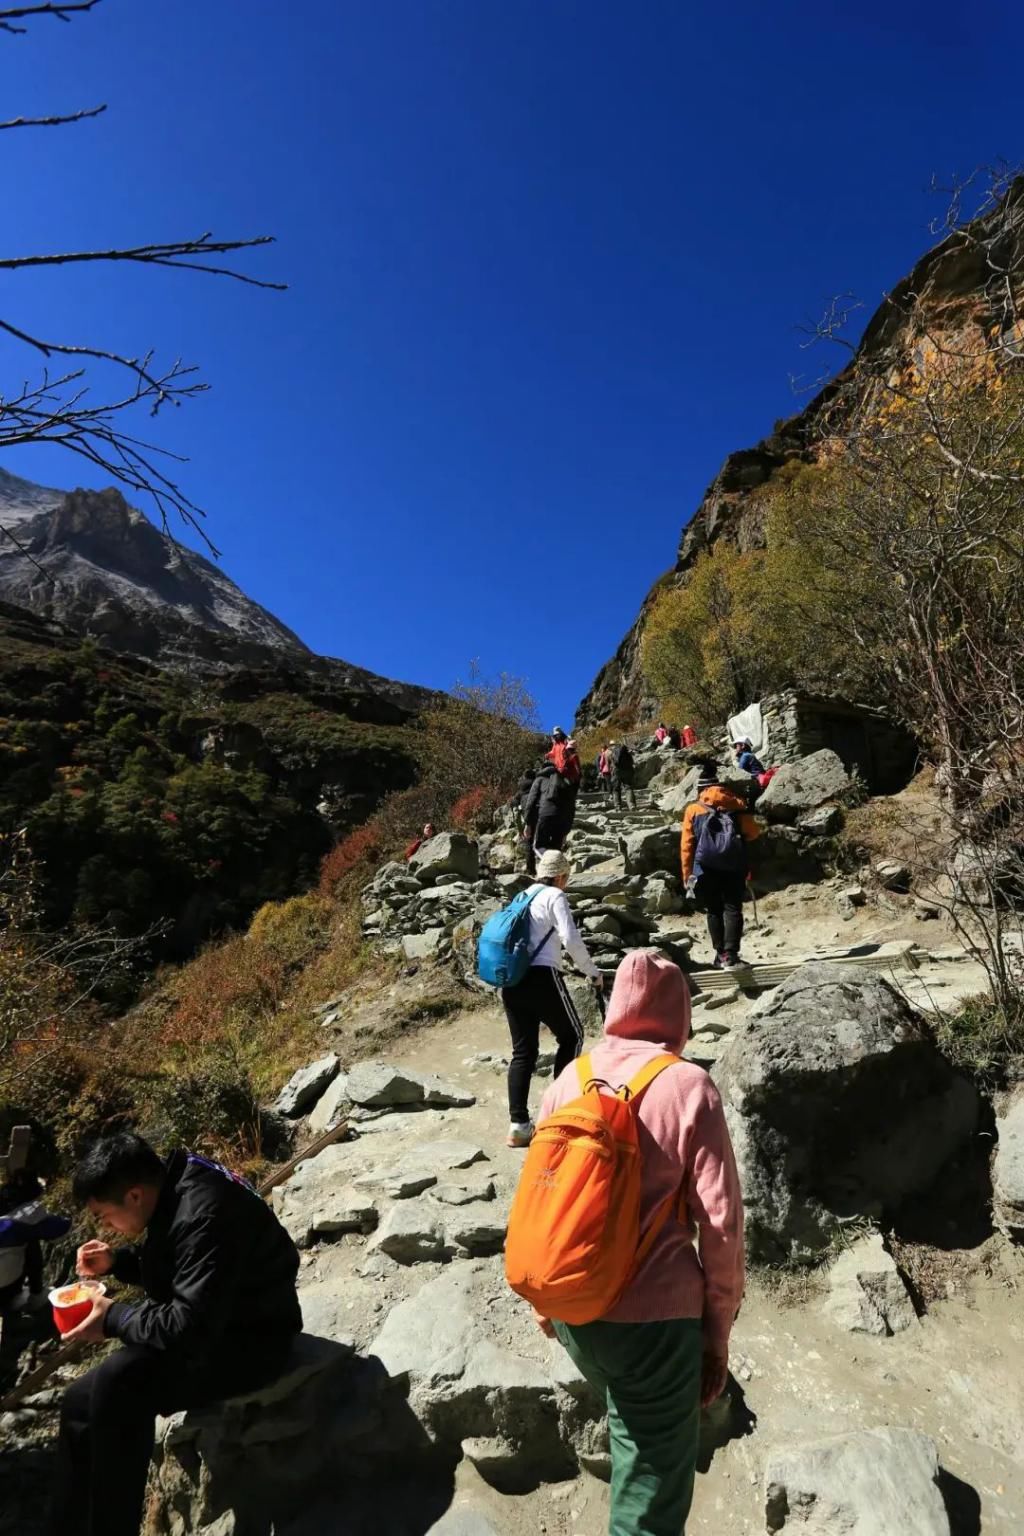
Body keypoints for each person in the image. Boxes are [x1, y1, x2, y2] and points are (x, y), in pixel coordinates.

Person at [536, 948, 745, 1536]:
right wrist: (717, 1333)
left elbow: (541, 1201)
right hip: (655, 1323)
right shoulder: (688, 1085)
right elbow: (722, 1224)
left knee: (628, 1417)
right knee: (649, 1497)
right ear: (678, 1014)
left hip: (574, 1308)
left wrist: (546, 1306)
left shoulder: (567, 1080)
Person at [47, 1132, 302, 1536]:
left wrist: (112, 1319)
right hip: (224, 1321)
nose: (107, 1226)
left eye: (104, 1216)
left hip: (256, 1341)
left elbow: (187, 1327)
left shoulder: (204, 1213)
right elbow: (186, 1269)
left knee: (120, 1383)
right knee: (79, 1401)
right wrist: (119, 1262)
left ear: (133, 1195)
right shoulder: (178, 1183)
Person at [500, 849, 603, 1148]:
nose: (566, 884)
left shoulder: (522, 896)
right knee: (573, 1036)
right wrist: (592, 971)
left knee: (524, 1052)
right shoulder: (554, 896)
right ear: (560, 876)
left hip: (512, 980)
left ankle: (519, 1125)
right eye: (566, 878)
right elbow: (570, 939)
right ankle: (560, 1111)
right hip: (542, 977)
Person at [681, 761, 760, 969]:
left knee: (714, 909)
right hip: (734, 865)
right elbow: (753, 833)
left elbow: (687, 846)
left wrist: (687, 874)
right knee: (733, 908)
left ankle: (720, 956)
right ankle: (732, 955)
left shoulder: (693, 809)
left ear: (700, 789)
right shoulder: (736, 803)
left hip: (705, 866)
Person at [0, 1165, 70, 1315]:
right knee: (31, 1242)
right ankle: (36, 1295)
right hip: (5, 1293)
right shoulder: (19, 1223)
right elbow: (62, 1227)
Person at [522, 760, 576, 864]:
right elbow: (571, 807)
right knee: (556, 849)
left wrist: (528, 823)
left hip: (545, 815)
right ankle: (555, 873)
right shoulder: (564, 780)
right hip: (562, 818)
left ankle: (550, 867)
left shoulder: (539, 780)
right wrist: (566, 830)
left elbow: (531, 801)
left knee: (538, 846)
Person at [608, 739, 637, 811]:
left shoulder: (611, 752)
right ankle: (631, 805)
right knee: (628, 788)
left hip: (617, 772)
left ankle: (618, 807)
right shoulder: (626, 752)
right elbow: (631, 761)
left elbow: (611, 763)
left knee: (616, 789)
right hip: (627, 771)